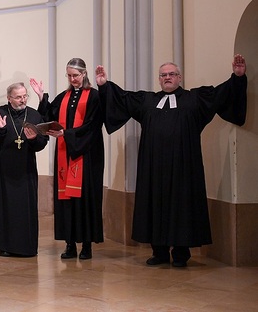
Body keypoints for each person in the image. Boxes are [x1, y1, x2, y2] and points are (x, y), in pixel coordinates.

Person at [95, 54, 247, 267]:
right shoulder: (147, 100)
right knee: (155, 204)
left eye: (171, 74)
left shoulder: (195, 98)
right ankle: (159, 252)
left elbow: (220, 94)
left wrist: (237, 78)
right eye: (163, 75)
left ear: (179, 77)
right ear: (159, 80)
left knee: (182, 206)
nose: (167, 78)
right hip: (153, 168)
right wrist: (104, 86)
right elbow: (122, 99)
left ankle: (181, 254)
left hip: (184, 167)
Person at [30, 58, 105, 260]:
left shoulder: (94, 96)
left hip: (87, 154)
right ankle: (70, 244)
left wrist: (68, 135)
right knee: (66, 199)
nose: (72, 79)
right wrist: (41, 96)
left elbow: (93, 125)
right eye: (69, 75)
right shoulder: (64, 96)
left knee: (84, 198)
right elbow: (48, 115)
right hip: (65, 153)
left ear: (84, 74)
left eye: (76, 75)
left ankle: (87, 245)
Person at [0, 82, 49, 257]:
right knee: (4, 207)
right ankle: (3, 245)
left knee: (23, 209)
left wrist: (34, 139)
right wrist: (1, 129)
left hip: (25, 170)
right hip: (2, 169)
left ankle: (24, 247)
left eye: (25, 96)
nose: (22, 100)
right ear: (9, 98)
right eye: (18, 97)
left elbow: (42, 143)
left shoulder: (34, 115)